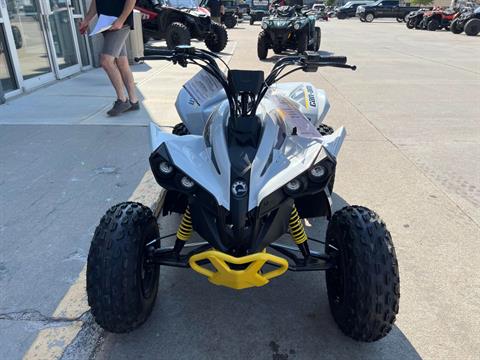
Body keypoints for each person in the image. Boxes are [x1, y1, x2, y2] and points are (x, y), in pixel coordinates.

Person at [79, 0, 139, 117]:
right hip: (106, 24)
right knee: (122, 62)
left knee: (106, 61)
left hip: (119, 23)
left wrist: (121, 20)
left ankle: (122, 100)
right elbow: (96, 2)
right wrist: (86, 20)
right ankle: (133, 100)